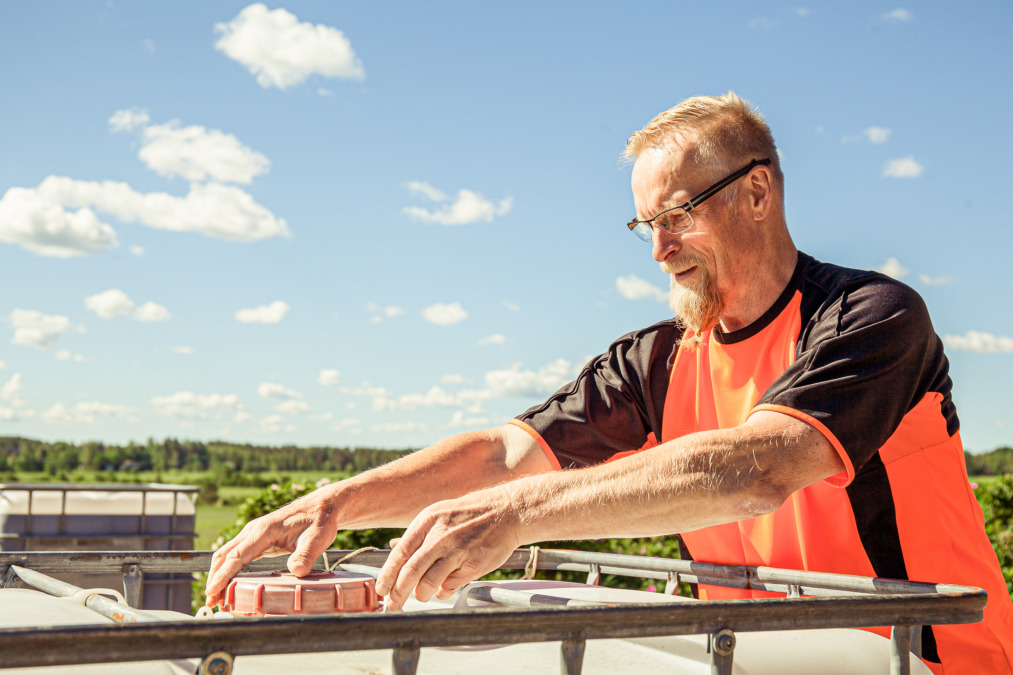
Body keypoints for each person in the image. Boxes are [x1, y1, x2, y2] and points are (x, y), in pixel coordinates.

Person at [206, 92, 1013, 673]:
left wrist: (518, 517)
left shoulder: (871, 316)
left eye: (677, 215)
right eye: (645, 225)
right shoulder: (658, 357)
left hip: (928, 658)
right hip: (757, 661)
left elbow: (759, 465)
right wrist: (337, 501)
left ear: (757, 192)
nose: (658, 249)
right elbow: (502, 457)